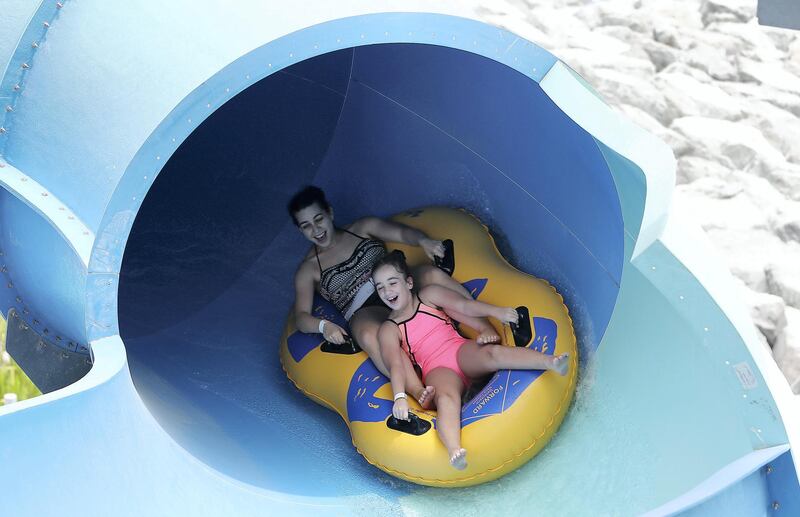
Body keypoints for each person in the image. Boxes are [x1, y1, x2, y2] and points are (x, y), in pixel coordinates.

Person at [372, 250, 569, 471]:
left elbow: (464, 306)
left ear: (408, 282)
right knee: (446, 399)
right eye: (380, 287)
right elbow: (396, 364)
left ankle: (550, 361)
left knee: (492, 354)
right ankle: (454, 450)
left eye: (392, 283)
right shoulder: (388, 329)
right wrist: (399, 397)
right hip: (437, 370)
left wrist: (498, 313)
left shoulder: (428, 295)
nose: (387, 292)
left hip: (459, 351)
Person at [288, 185, 478, 407]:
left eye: (318, 219)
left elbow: (401, 233)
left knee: (431, 274)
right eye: (306, 226)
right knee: (370, 334)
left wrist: (423, 241)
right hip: (363, 308)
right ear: (300, 230)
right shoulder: (308, 269)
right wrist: (323, 326)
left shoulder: (362, 227)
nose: (316, 229)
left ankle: (479, 331)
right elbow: (301, 317)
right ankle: (420, 392)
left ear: (330, 212)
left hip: (396, 283)